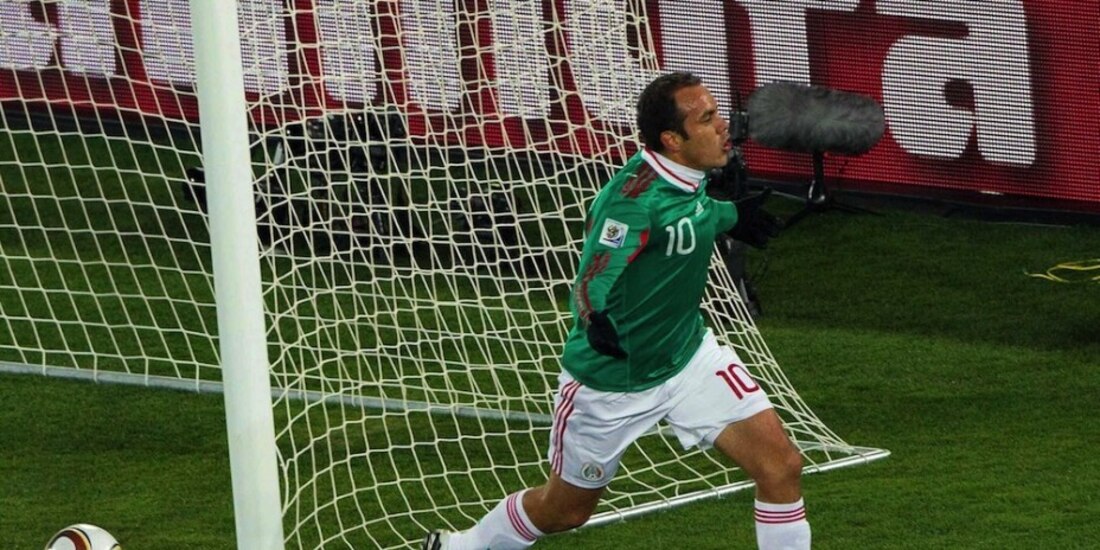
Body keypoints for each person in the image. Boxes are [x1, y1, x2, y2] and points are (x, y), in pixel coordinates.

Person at [423, 71, 803, 550]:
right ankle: (464, 546)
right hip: (610, 383)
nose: (723, 125)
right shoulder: (630, 202)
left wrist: (731, 216)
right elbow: (591, 278)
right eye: (707, 118)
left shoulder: (689, 177)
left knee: (781, 465)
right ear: (672, 139)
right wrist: (593, 317)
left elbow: (692, 214)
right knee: (565, 512)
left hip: (688, 359)